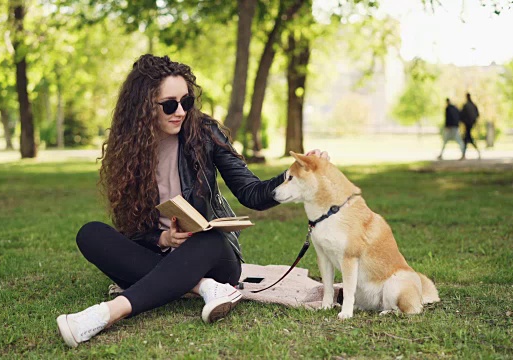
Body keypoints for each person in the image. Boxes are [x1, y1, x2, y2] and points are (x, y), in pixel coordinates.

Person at [55, 54, 329, 348]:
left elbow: (253, 193)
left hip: (213, 255)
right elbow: (131, 228)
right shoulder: (130, 152)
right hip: (163, 256)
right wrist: (164, 238)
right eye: (170, 104)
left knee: (208, 237)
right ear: (144, 106)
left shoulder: (205, 133)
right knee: (91, 234)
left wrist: (295, 174)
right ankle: (205, 289)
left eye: (186, 102)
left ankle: (108, 313)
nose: (181, 112)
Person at [460, 92, 481, 159]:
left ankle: (464, 155)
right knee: (467, 139)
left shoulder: (466, 105)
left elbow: (462, 115)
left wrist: (464, 121)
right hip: (471, 124)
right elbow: (477, 114)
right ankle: (464, 155)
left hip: (468, 124)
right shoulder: (473, 105)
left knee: (467, 139)